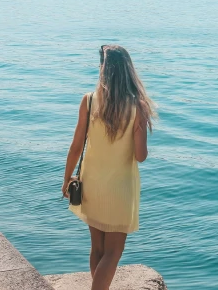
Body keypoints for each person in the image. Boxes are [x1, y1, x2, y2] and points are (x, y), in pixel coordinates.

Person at [62, 44, 156, 290]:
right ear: (128, 71)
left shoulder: (89, 101)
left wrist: (66, 179)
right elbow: (140, 156)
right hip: (119, 188)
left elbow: (75, 146)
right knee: (114, 251)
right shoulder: (138, 107)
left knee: (98, 248)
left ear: (104, 70)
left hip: (91, 182)